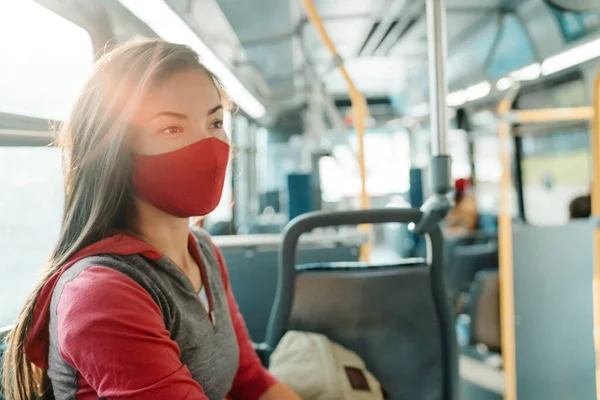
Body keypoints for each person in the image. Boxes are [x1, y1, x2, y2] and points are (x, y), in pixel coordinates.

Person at [2, 40, 300, 400]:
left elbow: (249, 379)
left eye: (215, 121)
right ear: (118, 152)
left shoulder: (203, 250)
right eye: (171, 128)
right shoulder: (101, 292)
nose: (207, 144)